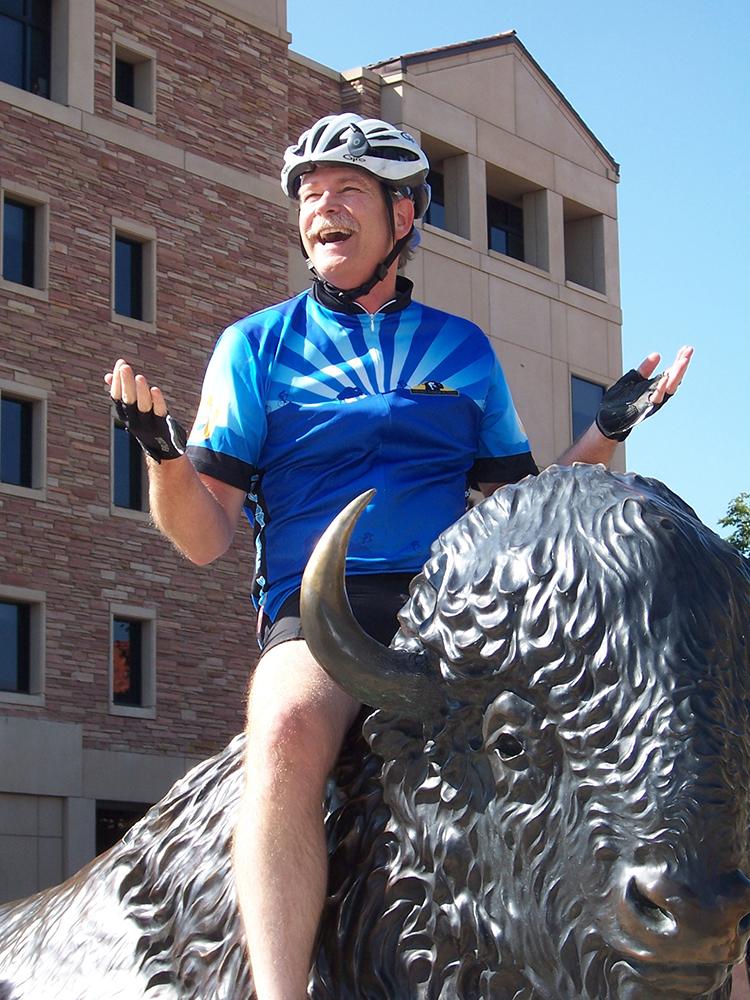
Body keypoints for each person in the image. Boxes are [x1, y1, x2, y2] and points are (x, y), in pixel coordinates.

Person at [106, 113, 692, 999]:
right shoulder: (254, 347)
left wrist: (607, 429)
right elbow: (202, 537)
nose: (321, 211)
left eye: (346, 193)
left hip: (456, 614)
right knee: (288, 729)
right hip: (320, 618)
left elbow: (520, 511)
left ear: (404, 215)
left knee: (629, 731)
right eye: (309, 197)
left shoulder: (463, 349)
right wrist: (159, 455)